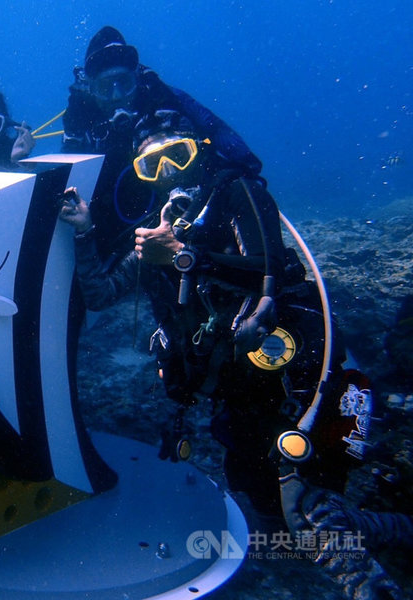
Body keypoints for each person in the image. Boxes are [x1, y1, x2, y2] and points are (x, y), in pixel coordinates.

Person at [58, 116, 407, 598]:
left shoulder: (236, 193)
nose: (166, 171)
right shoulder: (155, 236)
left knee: (305, 508)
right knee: (269, 517)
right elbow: (101, 294)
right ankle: (389, 529)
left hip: (288, 383)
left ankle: (373, 575)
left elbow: (268, 268)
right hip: (233, 392)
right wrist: (84, 231)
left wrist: (182, 255)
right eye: (150, 164)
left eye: (176, 154)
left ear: (199, 151)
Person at [62, 26, 262, 259]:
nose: (117, 96)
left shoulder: (163, 97)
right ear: (91, 89)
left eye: (124, 83)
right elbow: (67, 175)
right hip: (121, 219)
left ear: (137, 79)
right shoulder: (80, 118)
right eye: (105, 88)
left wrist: (246, 181)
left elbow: (219, 133)